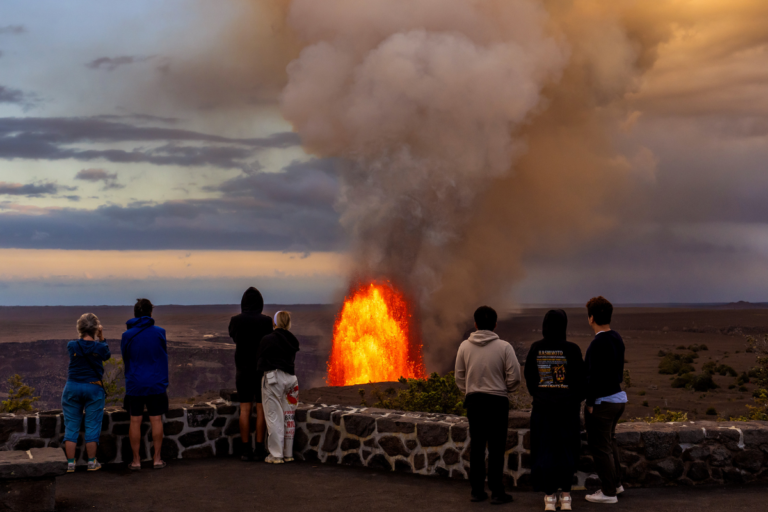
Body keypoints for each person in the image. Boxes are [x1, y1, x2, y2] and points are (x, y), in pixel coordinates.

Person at [455, 305, 521, 505]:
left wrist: (469, 389)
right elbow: (515, 377)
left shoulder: (464, 346)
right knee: (496, 448)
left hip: (475, 401)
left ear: (475, 324)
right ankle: (497, 492)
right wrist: (504, 388)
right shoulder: (504, 347)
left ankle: (477, 491)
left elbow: (459, 376)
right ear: (495, 324)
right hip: (497, 402)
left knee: (477, 447)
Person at [524, 310, 586, 511]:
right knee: (567, 451)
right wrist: (572, 399)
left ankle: (549, 497)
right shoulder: (572, 350)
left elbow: (530, 377)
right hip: (567, 412)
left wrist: (540, 395)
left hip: (542, 411)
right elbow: (581, 380)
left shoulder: (536, 348)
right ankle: (566, 497)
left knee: (545, 451)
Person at [583, 296, 626, 504]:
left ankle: (608, 492)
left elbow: (593, 378)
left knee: (600, 448)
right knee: (609, 443)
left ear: (591, 318)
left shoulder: (596, 345)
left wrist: (589, 403)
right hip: (618, 398)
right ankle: (616, 484)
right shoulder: (617, 337)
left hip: (603, 403)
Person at [121, 298, 169, 470]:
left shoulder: (127, 335)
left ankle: (136, 461)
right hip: (156, 381)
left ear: (135, 313)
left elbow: (125, 358)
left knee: (135, 421)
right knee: (156, 419)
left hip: (135, 383)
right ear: (150, 313)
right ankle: (157, 459)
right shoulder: (159, 332)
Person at [228, 287, 274, 461]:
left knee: (245, 409)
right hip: (261, 370)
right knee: (261, 409)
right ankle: (260, 448)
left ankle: (245, 449)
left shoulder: (235, 321)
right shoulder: (267, 322)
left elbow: (234, 337)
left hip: (243, 370)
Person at [62, 313, 111, 473]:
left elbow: (79, 345)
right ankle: (91, 462)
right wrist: (101, 336)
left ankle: (70, 464)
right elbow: (106, 355)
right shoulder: (100, 347)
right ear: (96, 329)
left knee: (71, 426)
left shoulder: (72, 346)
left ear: (80, 328)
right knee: (92, 426)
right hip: (93, 388)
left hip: (72, 388)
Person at [258, 310, 300, 464]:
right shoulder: (293, 340)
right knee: (289, 417)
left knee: (274, 416)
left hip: (274, 379)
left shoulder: (268, 339)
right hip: (291, 379)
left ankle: (276, 455)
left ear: (275, 323)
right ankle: (288, 454)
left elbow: (260, 357)